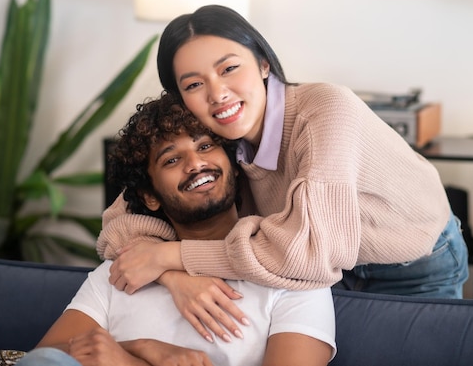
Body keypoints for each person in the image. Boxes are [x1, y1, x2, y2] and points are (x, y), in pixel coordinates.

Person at [97, 4, 469, 341]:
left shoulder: (324, 111)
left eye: (229, 68)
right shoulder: (214, 134)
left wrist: (172, 257)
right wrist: (172, 278)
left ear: (263, 64)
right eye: (194, 84)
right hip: (322, 269)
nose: (217, 93)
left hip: (411, 263)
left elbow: (308, 253)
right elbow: (119, 224)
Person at [17, 93, 336, 366]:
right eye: (171, 160)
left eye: (206, 146)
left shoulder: (294, 274)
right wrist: (146, 349)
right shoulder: (123, 272)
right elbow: (42, 359)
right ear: (150, 197)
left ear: (234, 167)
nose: (195, 164)